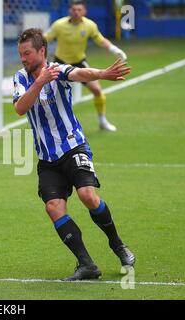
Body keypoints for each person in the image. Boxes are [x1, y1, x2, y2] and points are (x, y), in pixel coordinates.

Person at [13, 28, 135, 281]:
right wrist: (39, 82)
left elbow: (79, 73)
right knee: (53, 207)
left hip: (73, 147)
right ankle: (86, 264)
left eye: (27, 53)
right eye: (21, 54)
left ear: (41, 51)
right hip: (47, 159)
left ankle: (118, 244)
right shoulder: (21, 78)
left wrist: (102, 73)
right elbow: (19, 108)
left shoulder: (58, 70)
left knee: (88, 195)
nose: (23, 58)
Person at [44, 0, 128, 132]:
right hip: (60, 63)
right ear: (69, 11)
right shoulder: (59, 25)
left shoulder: (89, 25)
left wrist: (114, 49)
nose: (76, 12)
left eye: (79, 10)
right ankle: (51, 125)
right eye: (74, 10)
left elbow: (100, 39)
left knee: (97, 90)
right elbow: (45, 38)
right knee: (52, 96)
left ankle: (102, 121)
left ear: (84, 11)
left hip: (79, 62)